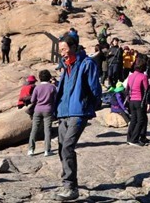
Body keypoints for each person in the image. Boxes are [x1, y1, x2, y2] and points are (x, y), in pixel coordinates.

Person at [53, 35, 102, 201]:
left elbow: (95, 88)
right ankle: (68, 180)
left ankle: (70, 186)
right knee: (61, 148)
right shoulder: (67, 66)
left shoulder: (87, 64)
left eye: (65, 49)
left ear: (74, 47)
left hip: (78, 111)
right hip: (63, 112)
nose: (63, 53)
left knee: (67, 147)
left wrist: (88, 106)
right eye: (61, 50)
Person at [28, 69, 57, 157]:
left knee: (34, 130)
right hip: (48, 110)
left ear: (40, 78)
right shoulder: (52, 87)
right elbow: (55, 99)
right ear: (49, 77)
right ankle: (47, 150)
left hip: (37, 110)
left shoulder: (37, 87)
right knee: (47, 130)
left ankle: (31, 150)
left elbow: (33, 100)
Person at [126, 60, 149, 146]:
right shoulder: (143, 76)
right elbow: (146, 90)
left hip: (131, 100)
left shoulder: (130, 76)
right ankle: (134, 139)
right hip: (139, 100)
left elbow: (127, 88)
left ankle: (129, 138)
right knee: (141, 120)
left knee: (133, 120)